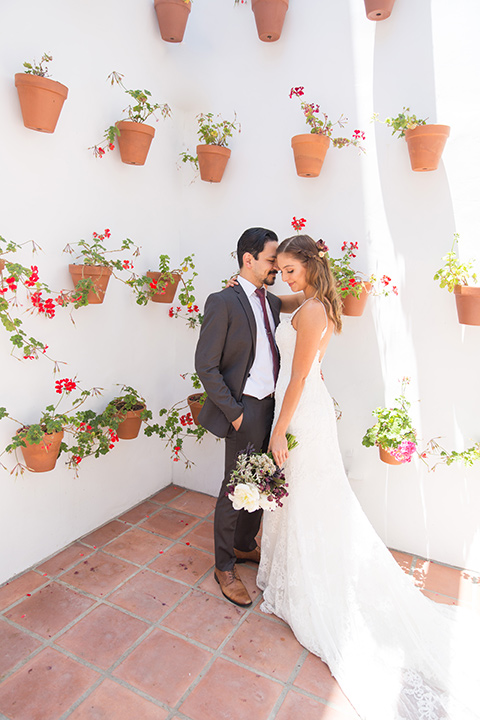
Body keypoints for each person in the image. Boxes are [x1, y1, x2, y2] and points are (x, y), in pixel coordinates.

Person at [257, 234, 480, 720]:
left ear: (311, 269)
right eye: (283, 270)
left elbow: (296, 378)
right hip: (306, 409)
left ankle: (315, 580)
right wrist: (260, 286)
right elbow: (281, 301)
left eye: (292, 270)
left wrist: (278, 430)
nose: (286, 278)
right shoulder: (316, 303)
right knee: (310, 496)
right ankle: (299, 568)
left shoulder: (313, 311)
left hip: (299, 412)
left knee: (311, 496)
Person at [195, 227, 281, 607]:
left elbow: (301, 300)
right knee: (234, 489)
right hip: (243, 409)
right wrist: (235, 415)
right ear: (248, 259)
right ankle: (224, 565)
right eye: (271, 259)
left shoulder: (273, 303)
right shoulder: (223, 301)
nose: (276, 266)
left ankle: (246, 545)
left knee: (261, 482)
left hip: (271, 407)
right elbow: (206, 365)